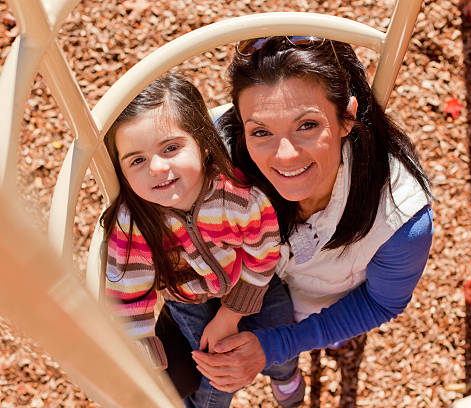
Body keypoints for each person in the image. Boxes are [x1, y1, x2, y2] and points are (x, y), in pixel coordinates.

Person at [186, 36, 435, 398]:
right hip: (244, 291)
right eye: (261, 131)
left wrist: (278, 344)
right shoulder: (216, 152)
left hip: (320, 302)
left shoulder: (399, 216)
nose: (285, 155)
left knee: (329, 331)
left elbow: (381, 301)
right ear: (241, 125)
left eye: (306, 125)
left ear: (347, 116)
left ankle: (310, 352)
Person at [101, 74, 300, 407]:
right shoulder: (135, 222)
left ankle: (285, 376)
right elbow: (127, 292)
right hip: (188, 299)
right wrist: (143, 353)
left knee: (279, 337)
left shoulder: (236, 197)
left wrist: (230, 314)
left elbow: (263, 253)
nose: (157, 167)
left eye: (170, 147)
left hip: (252, 281)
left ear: (202, 141)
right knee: (214, 364)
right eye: (137, 159)